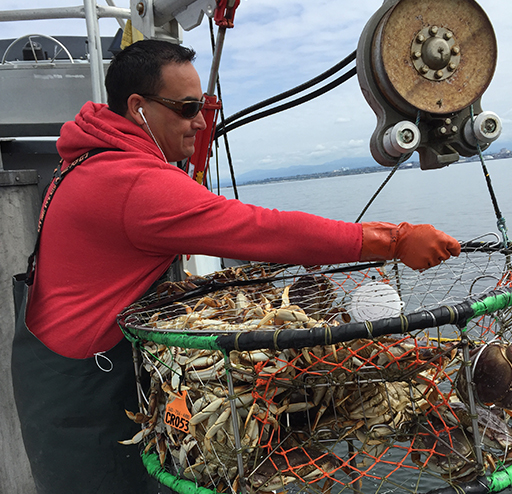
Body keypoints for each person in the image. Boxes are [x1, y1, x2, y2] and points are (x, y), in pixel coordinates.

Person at [11, 39, 460, 494]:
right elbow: (262, 230)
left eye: (204, 105)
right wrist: (393, 239)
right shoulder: (134, 184)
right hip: (86, 400)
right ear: (137, 107)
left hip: (66, 370)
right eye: (187, 107)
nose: (201, 122)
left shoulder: (89, 159)